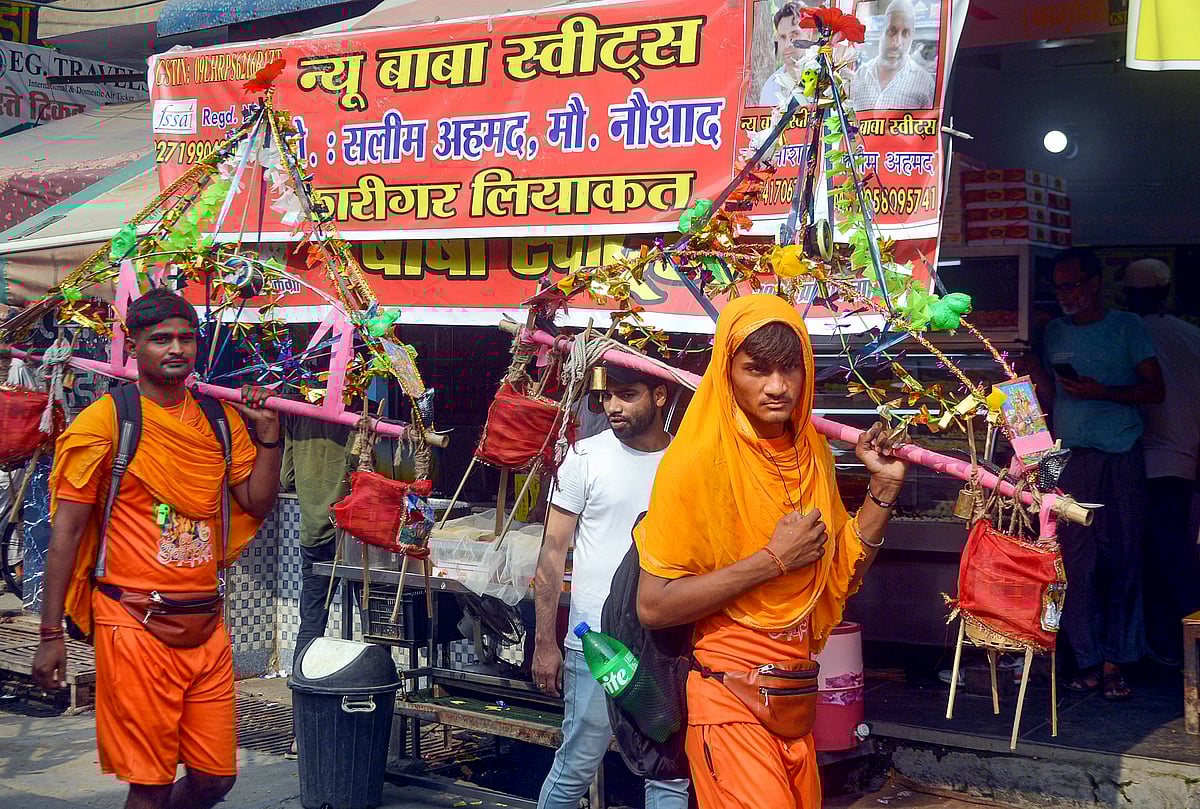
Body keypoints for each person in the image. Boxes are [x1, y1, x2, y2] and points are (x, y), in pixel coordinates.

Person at [634, 295, 907, 808]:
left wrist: (883, 490)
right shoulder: (693, 463)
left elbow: (837, 577)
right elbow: (653, 605)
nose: (777, 387)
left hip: (797, 695)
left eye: (790, 369)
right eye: (757, 370)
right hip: (728, 695)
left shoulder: (813, 454)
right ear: (727, 372)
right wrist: (772, 560)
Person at [32, 287, 282, 809]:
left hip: (206, 623)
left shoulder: (217, 420)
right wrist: (51, 634)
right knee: (149, 787)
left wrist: (270, 440)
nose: (176, 349)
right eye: (160, 338)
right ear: (134, 345)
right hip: (133, 622)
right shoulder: (105, 420)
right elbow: (67, 535)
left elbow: (256, 502)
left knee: (216, 779)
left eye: (186, 338)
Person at [531, 363, 689, 809]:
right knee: (578, 763)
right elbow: (550, 555)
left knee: (668, 770)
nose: (612, 407)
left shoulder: (685, 461)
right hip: (596, 646)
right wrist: (546, 642)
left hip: (663, 645)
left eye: (627, 395)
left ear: (660, 396)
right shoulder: (583, 457)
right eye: (607, 397)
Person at [1030, 247, 1164, 700]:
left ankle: (1115, 664)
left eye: (1072, 285)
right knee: (1073, 565)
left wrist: (1100, 391)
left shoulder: (1128, 327)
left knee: (1121, 559)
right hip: (1068, 459)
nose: (1065, 294)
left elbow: (1155, 389)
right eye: (1059, 286)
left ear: (1094, 284)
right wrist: (1027, 376)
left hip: (1121, 457)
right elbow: (1049, 396)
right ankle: (1087, 661)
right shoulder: (1053, 332)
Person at [1122, 258, 1200, 664]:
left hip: (1143, 461)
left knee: (1160, 556)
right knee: (1176, 552)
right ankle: (1175, 646)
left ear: (1129, 295)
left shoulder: (1128, 332)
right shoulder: (1192, 335)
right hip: (1184, 462)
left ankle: (1173, 646)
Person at [283, 414, 356, 669]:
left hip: (313, 531)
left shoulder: (297, 414)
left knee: (312, 621)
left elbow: (287, 478)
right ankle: (371, 685)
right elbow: (363, 466)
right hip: (354, 534)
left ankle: (301, 683)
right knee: (373, 623)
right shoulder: (357, 416)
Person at [850, 0, 935, 110]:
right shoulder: (860, 75)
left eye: (905, 33)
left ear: (912, 37)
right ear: (882, 33)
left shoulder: (924, 82)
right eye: (891, 31)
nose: (897, 42)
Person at [757, 1, 824, 107]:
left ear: (809, 35)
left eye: (795, 34)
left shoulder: (825, 78)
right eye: (782, 37)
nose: (788, 43)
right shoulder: (770, 87)